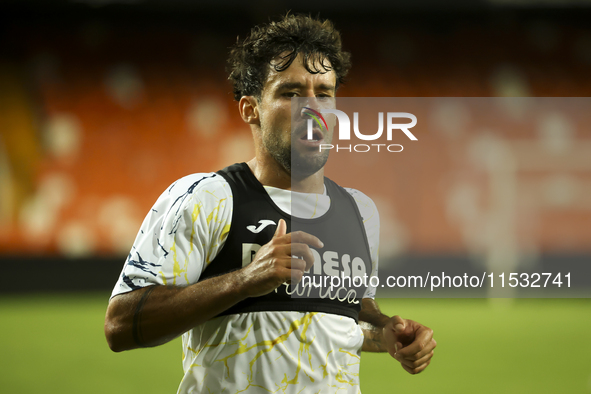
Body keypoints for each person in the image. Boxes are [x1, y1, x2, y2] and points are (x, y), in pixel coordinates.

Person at [104, 13, 436, 393]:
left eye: (324, 94)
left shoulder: (360, 211)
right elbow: (119, 326)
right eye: (291, 93)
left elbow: (339, 320)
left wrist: (386, 332)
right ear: (250, 109)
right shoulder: (208, 198)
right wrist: (245, 280)